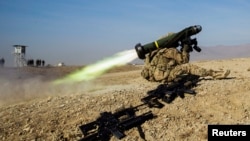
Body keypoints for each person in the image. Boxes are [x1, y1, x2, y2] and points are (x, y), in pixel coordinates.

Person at [141, 44, 230, 83]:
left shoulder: (155, 52)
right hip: (165, 76)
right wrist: (185, 49)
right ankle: (215, 74)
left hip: (155, 77)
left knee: (192, 76)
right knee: (188, 67)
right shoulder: (169, 51)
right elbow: (184, 61)